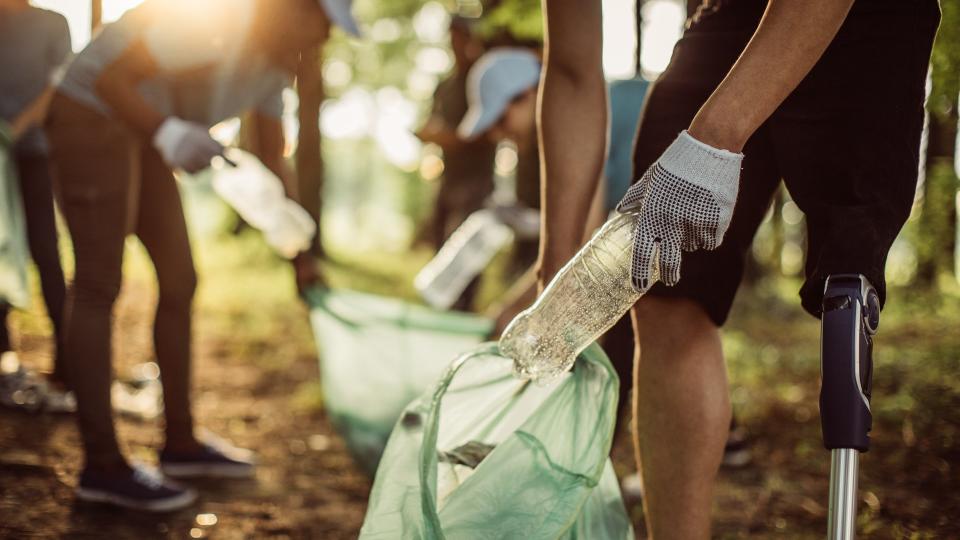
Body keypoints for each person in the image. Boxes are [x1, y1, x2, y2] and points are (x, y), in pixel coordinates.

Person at [537, 0, 939, 537]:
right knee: (664, 283)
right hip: (723, 16)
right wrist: (556, 274)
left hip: (857, 13)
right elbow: (569, 70)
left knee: (848, 275)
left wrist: (712, 142)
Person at [46, 0, 358, 512]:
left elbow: (272, 154)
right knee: (100, 283)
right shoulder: (219, 21)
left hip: (144, 129)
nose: (322, 39)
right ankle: (101, 466)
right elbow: (114, 79)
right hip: (92, 111)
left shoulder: (275, 68)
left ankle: (182, 444)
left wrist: (299, 251)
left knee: (180, 278)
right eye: (320, 22)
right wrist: (169, 132)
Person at [0, 0, 72, 412]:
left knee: (46, 250)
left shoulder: (52, 24)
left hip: (35, 154)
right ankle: (3, 355)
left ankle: (67, 360)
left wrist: (15, 128)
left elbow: (58, 85)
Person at [416, 15, 496, 311]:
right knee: (442, 245)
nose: (455, 43)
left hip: (476, 179)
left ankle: (465, 307)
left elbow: (485, 134)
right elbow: (434, 121)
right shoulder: (445, 85)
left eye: (461, 36)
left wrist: (445, 137)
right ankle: (442, 306)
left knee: (466, 248)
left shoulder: (481, 81)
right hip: (448, 177)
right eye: (452, 36)